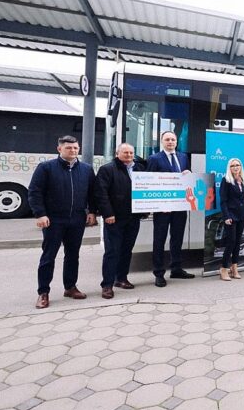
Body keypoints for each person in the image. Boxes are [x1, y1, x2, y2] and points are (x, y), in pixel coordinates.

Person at [28, 135, 97, 309]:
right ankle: (43, 292)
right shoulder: (46, 168)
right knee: (48, 256)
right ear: (59, 149)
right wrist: (40, 214)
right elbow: (35, 192)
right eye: (68, 148)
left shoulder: (87, 169)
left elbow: (92, 193)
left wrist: (92, 212)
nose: (73, 150)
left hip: (77, 219)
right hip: (54, 220)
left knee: (73, 255)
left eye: (75, 148)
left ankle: (70, 287)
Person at [95, 143, 145, 299]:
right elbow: (101, 194)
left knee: (126, 250)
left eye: (131, 153)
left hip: (133, 217)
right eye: (125, 152)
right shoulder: (107, 169)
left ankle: (121, 278)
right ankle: (107, 285)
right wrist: (107, 214)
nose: (129, 155)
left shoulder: (139, 168)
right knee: (112, 252)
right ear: (117, 154)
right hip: (114, 218)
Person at [146, 131, 195, 287]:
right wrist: (159, 204)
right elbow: (150, 182)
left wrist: (189, 174)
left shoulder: (183, 157)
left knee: (177, 238)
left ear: (176, 142)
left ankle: (176, 268)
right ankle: (159, 273)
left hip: (180, 205)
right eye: (167, 139)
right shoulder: (154, 159)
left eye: (173, 139)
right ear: (162, 141)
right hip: (162, 208)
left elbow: (186, 180)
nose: (170, 142)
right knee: (159, 240)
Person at [218, 158, 244, 281]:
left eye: (238, 165)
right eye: (233, 166)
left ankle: (234, 267)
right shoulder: (226, 180)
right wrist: (226, 216)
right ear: (229, 168)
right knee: (231, 242)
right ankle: (223, 269)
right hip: (231, 215)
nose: (236, 167)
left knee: (237, 242)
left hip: (242, 215)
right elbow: (223, 201)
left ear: (241, 167)